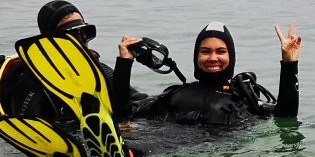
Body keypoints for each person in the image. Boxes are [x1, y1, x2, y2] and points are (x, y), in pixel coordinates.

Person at [0, 0, 147, 121]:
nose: (80, 41)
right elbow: (34, 131)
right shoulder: (33, 82)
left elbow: (127, 107)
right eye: (71, 36)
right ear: (50, 41)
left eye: (84, 32)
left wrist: (124, 63)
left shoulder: (98, 69)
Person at [122, 21, 301, 126]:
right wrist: (125, 62)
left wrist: (289, 63)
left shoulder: (244, 101)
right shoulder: (175, 95)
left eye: (221, 51)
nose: (213, 57)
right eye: (206, 51)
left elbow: (286, 114)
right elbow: (125, 111)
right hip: (163, 147)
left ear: (231, 56)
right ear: (196, 56)